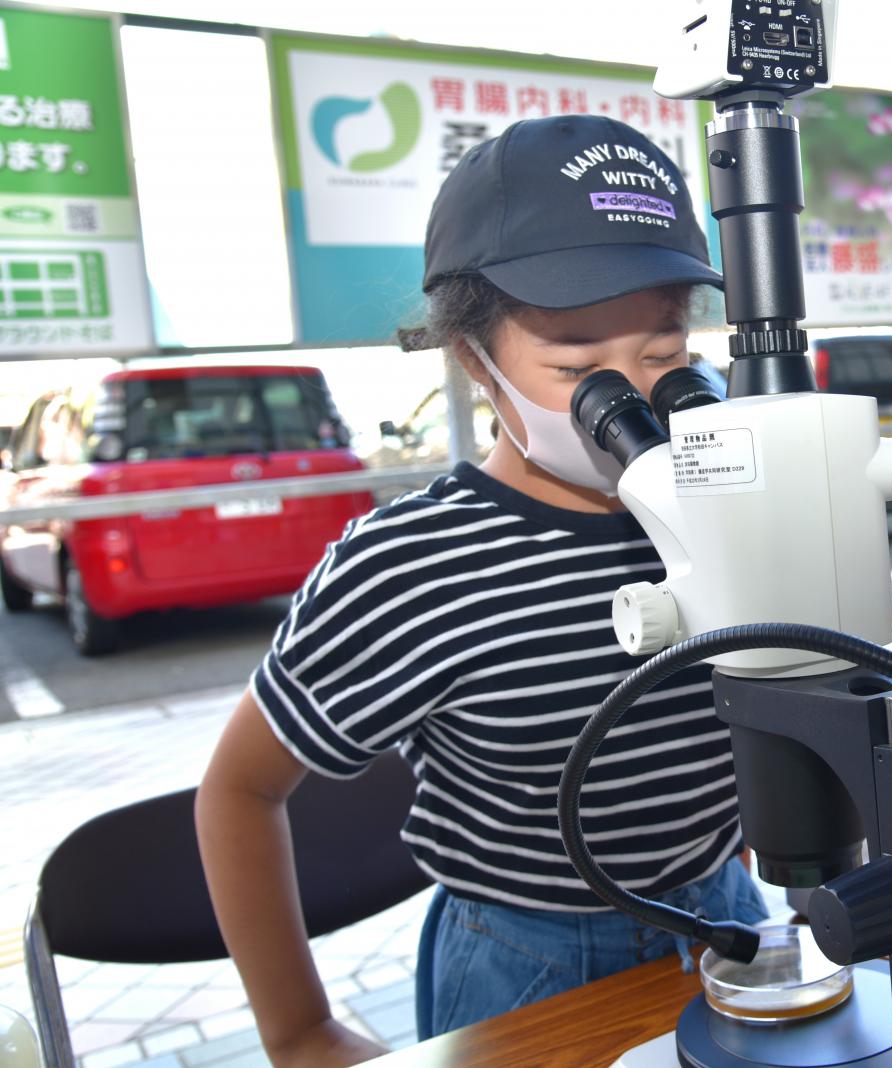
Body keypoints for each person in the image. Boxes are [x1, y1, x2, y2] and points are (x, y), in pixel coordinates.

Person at [195, 115, 768, 1067]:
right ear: (475, 362)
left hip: (723, 921)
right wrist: (297, 1033)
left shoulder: (722, 506)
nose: (629, 398)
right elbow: (241, 788)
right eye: (577, 368)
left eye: (663, 356)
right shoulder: (407, 566)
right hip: (530, 957)